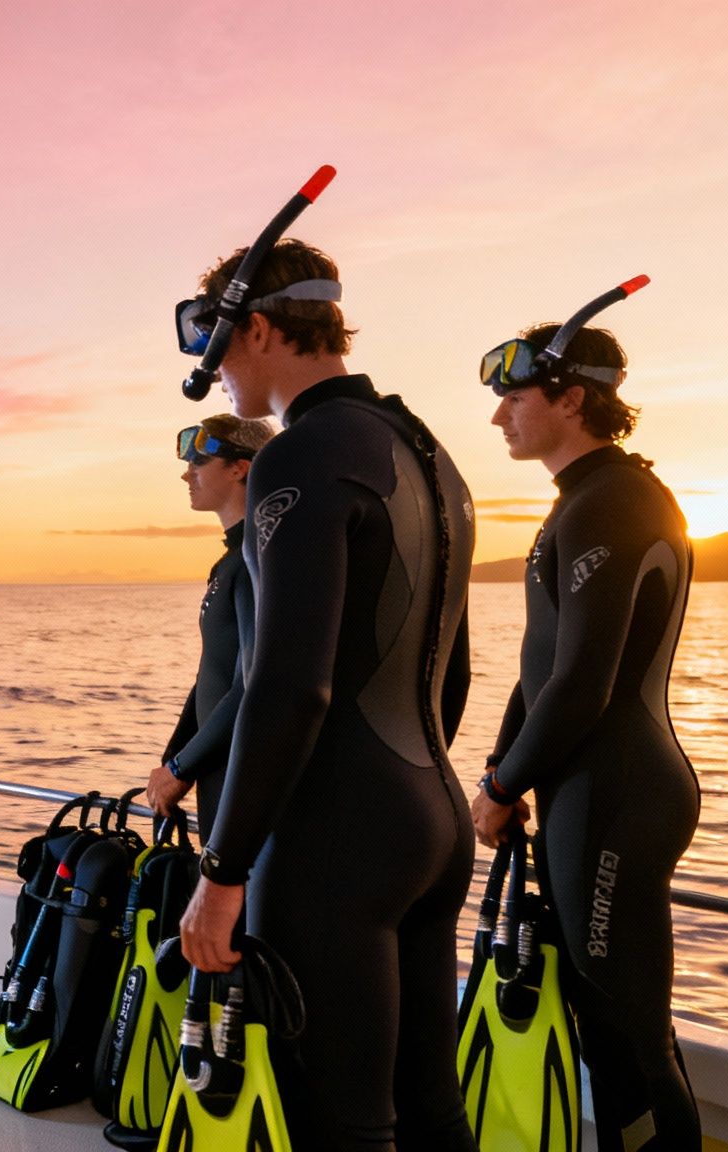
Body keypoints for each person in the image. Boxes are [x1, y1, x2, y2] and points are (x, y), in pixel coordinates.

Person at [175, 239, 478, 1151]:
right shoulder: (426, 453)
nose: (218, 371)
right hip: (432, 816)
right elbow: (451, 667)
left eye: (220, 347)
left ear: (261, 329)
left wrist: (224, 873)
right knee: (430, 1111)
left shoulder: (298, 457)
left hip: (335, 843)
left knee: (340, 1124)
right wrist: (406, 791)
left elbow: (288, 684)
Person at [472, 322, 701, 1150]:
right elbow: (543, 671)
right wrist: (505, 766)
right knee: (606, 1026)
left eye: (515, 396)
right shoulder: (587, 498)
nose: (500, 416)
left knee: (629, 1031)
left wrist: (502, 788)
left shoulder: (615, 501)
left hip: (618, 793)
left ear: (572, 399)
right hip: (591, 790)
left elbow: (582, 684)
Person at [144, 414, 275, 833]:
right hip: (218, 775)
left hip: (244, 785)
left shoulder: (260, 563)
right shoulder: (234, 562)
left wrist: (183, 766)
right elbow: (211, 675)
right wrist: (172, 762)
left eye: (198, 463)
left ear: (239, 468)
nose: (186, 475)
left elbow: (252, 685)